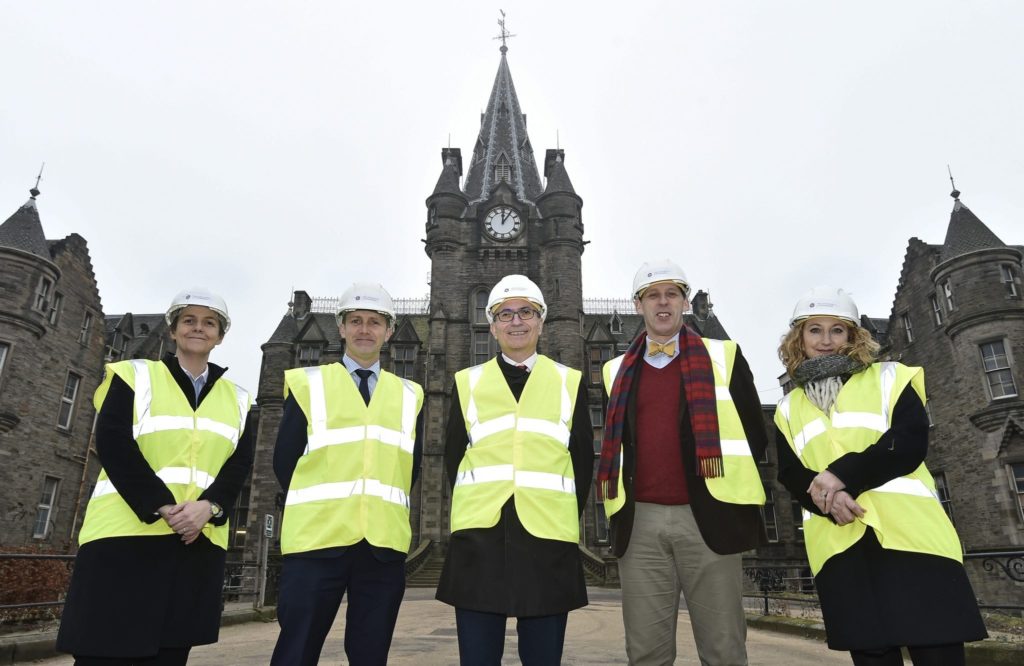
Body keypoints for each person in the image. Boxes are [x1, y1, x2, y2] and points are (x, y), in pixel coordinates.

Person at [774, 286, 987, 666]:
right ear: (799, 338)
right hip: (840, 543)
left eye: (837, 330)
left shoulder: (892, 377)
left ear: (853, 336)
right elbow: (790, 473)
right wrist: (830, 500)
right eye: (815, 330)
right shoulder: (788, 407)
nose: (826, 340)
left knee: (937, 649)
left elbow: (907, 443)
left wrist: (840, 477)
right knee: (872, 654)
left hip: (912, 539)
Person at [57, 287, 254, 665]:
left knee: (169, 654)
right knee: (104, 653)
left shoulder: (239, 399)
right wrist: (163, 505)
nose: (199, 328)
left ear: (220, 335)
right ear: (173, 330)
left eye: (209, 322)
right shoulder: (133, 375)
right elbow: (113, 444)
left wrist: (210, 507)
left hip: (194, 545)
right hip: (124, 539)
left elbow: (239, 465)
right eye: (189, 321)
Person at [596, 259, 767, 666]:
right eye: (652, 295)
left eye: (672, 294)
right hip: (640, 522)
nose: (663, 303)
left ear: (685, 302)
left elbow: (755, 434)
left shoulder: (723, 355)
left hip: (710, 515)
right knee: (646, 652)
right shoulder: (614, 370)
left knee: (724, 649)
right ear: (638, 305)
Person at [436, 274, 593, 666]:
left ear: (542, 321)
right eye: (505, 314)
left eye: (526, 311)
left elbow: (583, 463)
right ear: (492, 325)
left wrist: (558, 513)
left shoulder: (569, 382)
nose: (516, 321)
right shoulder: (466, 383)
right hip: (480, 540)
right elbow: (453, 459)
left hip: (546, 541)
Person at [271, 282, 424, 666]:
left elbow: (411, 466)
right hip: (316, 543)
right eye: (355, 320)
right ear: (341, 328)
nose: (364, 330)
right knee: (296, 652)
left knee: (370, 655)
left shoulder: (410, 394)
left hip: (382, 548)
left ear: (388, 331)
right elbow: (283, 461)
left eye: (375, 322)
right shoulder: (308, 383)